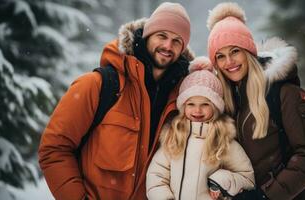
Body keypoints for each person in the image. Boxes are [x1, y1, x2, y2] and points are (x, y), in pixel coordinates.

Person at [38, 2, 194, 200]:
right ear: (147, 36)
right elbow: (54, 148)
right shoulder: (98, 86)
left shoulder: (183, 101)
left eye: (177, 41)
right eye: (162, 36)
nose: (167, 46)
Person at [206, 2, 305, 200]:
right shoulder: (225, 102)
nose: (229, 62)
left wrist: (267, 196)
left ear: (249, 52)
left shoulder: (283, 93)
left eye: (235, 51)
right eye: (220, 56)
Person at [146, 57, 255, 200]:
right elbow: (156, 175)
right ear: (183, 107)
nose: (197, 110)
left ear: (215, 108)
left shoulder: (224, 142)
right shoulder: (173, 139)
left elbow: (247, 178)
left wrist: (221, 181)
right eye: (191, 104)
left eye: (205, 104)